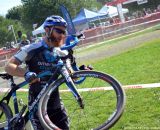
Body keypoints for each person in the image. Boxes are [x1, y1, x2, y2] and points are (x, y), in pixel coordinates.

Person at [5, 15, 70, 130]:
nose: (62, 35)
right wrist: (26, 73)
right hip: (37, 106)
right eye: (59, 31)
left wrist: (81, 71)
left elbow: (70, 75)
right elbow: (9, 66)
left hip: (56, 105)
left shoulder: (60, 53)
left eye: (64, 32)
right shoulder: (31, 48)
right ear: (47, 30)